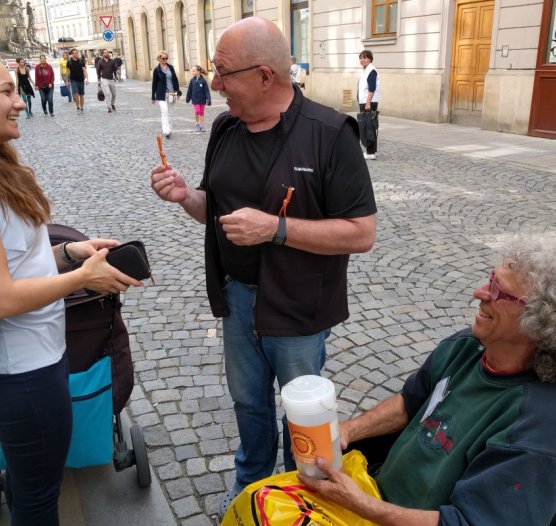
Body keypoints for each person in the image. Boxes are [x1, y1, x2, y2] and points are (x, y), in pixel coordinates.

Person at [149, 16, 377, 519]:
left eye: (224, 72)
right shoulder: (226, 127)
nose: (214, 83)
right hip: (237, 298)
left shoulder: (330, 133)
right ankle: (251, 487)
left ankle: (307, 498)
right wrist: (186, 195)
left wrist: (276, 228)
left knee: (303, 415)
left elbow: (361, 232)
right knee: (249, 405)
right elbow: (215, 208)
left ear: (266, 76)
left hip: (298, 310)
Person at [0, 41, 139, 525]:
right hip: (21, 374)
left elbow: (16, 264)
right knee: (39, 499)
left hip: (40, 359)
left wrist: (70, 253)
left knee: (30, 481)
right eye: (5, 91)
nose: (20, 100)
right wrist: (84, 277)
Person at [297, 236, 556, 526]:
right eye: (490, 279)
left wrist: (360, 503)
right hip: (375, 494)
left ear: (539, 322)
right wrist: (351, 430)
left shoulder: (541, 430)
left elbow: (467, 523)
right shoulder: (468, 347)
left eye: (497, 290)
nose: (479, 292)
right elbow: (411, 401)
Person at [151, 51, 181, 138]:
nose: (165, 60)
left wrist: (178, 91)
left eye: (166, 58)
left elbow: (175, 79)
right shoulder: (157, 70)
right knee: (164, 111)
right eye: (163, 58)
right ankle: (166, 131)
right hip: (161, 94)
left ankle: (170, 128)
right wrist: (153, 97)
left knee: (170, 112)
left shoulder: (171, 67)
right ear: (159, 59)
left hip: (172, 93)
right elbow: (154, 83)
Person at [357, 49, 380, 160]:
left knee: (369, 127)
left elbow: (372, 89)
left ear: (370, 59)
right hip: (365, 102)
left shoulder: (371, 71)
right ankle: (370, 151)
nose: (362, 60)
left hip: (369, 103)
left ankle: (371, 153)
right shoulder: (365, 70)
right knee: (367, 126)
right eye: (361, 58)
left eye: (365, 57)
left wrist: (367, 103)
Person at [185, 65, 211, 131]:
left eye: (194, 71)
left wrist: (208, 99)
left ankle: (201, 125)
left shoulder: (203, 81)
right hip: (195, 100)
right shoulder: (192, 80)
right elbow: (189, 90)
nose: (192, 72)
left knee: (201, 112)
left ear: (199, 71)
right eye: (192, 71)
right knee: (197, 111)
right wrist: (188, 98)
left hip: (202, 100)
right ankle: (197, 123)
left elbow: (207, 91)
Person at [67, 48, 88, 113]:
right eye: (74, 53)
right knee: (76, 93)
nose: (76, 54)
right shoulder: (69, 61)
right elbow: (68, 71)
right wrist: (67, 81)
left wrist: (87, 78)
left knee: (81, 95)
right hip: (73, 80)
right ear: (72, 54)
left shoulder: (81, 61)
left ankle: (81, 107)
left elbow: (84, 70)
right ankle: (77, 106)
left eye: (77, 53)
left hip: (81, 80)